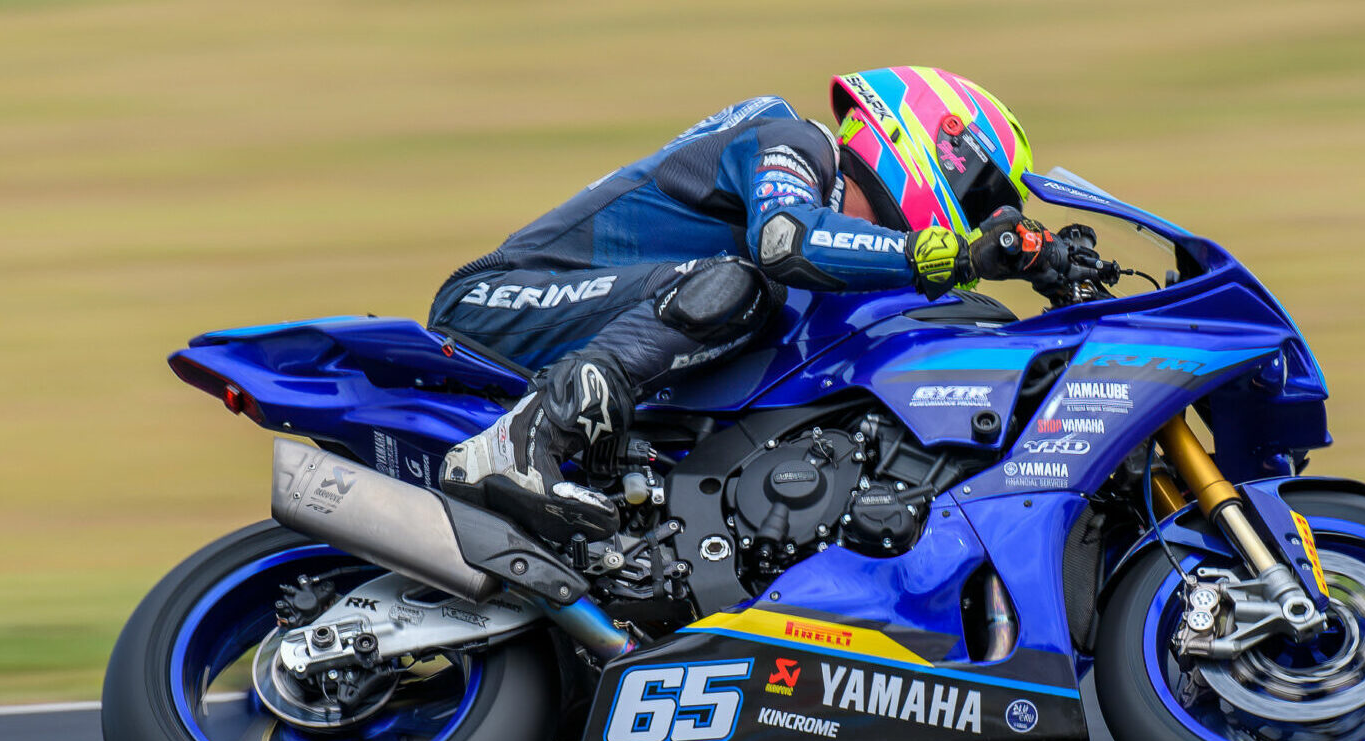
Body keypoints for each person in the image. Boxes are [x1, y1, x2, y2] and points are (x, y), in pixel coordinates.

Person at [430, 66, 1062, 542]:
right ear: (936, 150)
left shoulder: (842, 235)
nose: (981, 225)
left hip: (584, 319)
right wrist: (953, 255)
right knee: (744, 284)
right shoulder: (791, 140)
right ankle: (517, 442)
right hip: (502, 299)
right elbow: (786, 241)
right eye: (982, 201)